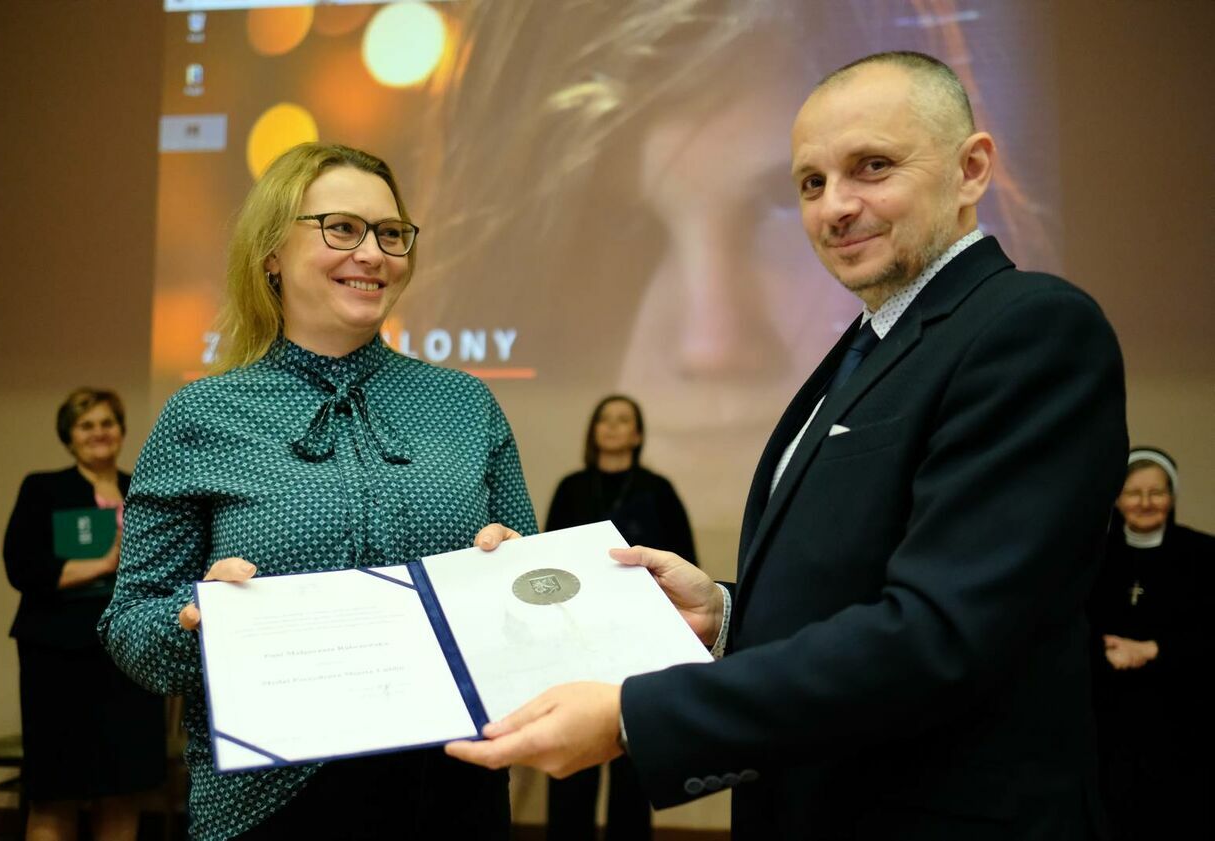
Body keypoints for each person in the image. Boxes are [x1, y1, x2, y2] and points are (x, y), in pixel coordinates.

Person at [447, 51, 1127, 840]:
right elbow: (862, 586)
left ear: (972, 169)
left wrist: (638, 715)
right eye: (809, 183)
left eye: (872, 167)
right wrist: (728, 614)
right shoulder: (869, 342)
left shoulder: (1029, 329)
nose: (835, 206)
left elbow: (939, 636)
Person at [97, 142, 537, 840]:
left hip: (453, 785)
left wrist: (509, 575)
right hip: (269, 801)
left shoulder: (465, 404)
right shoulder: (202, 416)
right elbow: (130, 626)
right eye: (342, 228)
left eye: (390, 234)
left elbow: (532, 600)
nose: (373, 253)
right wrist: (197, 617)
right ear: (271, 252)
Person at [4, 388, 165, 841]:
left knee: (124, 788)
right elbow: (23, 567)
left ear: (121, 430)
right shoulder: (43, 488)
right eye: (86, 425)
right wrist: (103, 563)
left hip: (129, 658)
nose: (99, 433)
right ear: (69, 437)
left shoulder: (144, 490)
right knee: (56, 790)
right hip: (58, 660)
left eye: (107, 423)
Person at [544, 394, 696, 841]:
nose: (612, 427)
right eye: (604, 420)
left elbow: (684, 561)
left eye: (623, 420)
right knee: (572, 760)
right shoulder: (571, 487)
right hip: (573, 640)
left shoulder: (658, 489)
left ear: (638, 434)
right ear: (593, 431)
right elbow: (545, 562)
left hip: (639, 642)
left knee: (633, 760)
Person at [1087, 448, 1214, 840]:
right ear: (1117, 498)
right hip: (1105, 716)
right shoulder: (1094, 555)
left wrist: (1152, 651)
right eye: (1133, 492)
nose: (1144, 503)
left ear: (1172, 497)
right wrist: (1104, 650)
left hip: (1182, 718)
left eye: (1156, 492)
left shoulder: (1205, 555)